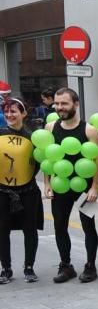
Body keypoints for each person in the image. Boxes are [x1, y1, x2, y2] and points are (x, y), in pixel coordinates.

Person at [46, 87, 98, 283]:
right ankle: (66, 266)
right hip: (60, 185)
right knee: (60, 226)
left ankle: (90, 267)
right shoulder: (50, 127)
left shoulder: (89, 130)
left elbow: (97, 161)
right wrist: (47, 183)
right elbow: (48, 156)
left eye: (64, 103)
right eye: (57, 103)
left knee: (89, 226)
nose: (60, 107)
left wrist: (95, 187)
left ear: (76, 105)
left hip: (86, 188)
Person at [0, 96, 42, 283]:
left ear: (23, 113)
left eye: (13, 111)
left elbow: (39, 163)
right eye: (6, 111)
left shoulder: (34, 136)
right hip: (2, 190)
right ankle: (6, 268)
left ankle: (29, 267)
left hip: (28, 190)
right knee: (2, 230)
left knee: (30, 229)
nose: (9, 114)